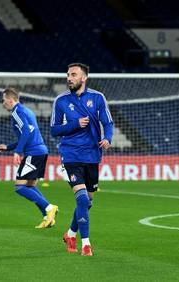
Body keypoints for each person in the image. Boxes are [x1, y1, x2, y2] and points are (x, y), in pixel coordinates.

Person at [50, 63, 114, 256]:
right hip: (71, 155)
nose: (69, 78)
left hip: (93, 155)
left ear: (84, 78)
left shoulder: (97, 98)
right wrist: (74, 124)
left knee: (87, 202)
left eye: (74, 75)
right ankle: (85, 243)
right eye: (68, 75)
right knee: (82, 197)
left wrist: (107, 138)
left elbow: (108, 122)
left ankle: (70, 233)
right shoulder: (60, 101)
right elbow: (54, 130)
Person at [0, 87, 58, 228]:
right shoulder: (27, 111)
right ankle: (48, 218)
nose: (3, 103)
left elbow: (25, 132)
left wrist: (17, 152)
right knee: (30, 186)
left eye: (3, 100)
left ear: (11, 100)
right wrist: (9, 147)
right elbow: (28, 134)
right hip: (40, 151)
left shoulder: (17, 112)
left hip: (33, 152)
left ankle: (49, 208)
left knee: (20, 187)